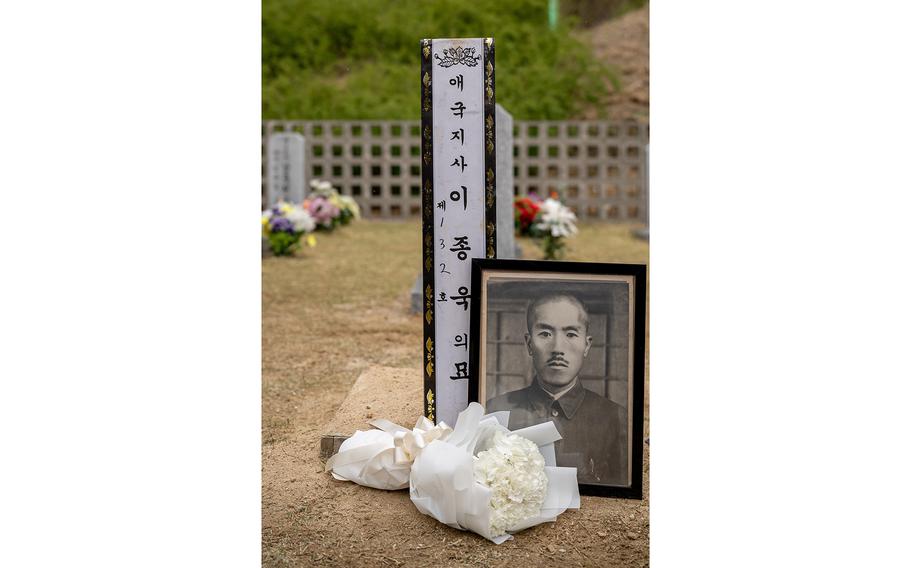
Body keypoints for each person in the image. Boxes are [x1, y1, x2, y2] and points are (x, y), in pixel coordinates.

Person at [486, 293, 628, 486]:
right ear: (529, 344)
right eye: (545, 334)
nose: (557, 348)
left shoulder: (617, 418)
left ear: (586, 345)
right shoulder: (495, 410)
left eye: (570, 334)